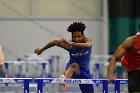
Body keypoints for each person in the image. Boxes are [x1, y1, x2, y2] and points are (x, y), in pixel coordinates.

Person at [34, 22, 94, 93]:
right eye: (74, 37)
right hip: (71, 70)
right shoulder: (69, 45)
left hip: (85, 72)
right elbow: (55, 42)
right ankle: (64, 80)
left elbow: (88, 45)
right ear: (71, 36)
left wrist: (70, 43)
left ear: (83, 35)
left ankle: (64, 78)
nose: (76, 39)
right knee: (74, 65)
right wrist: (41, 49)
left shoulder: (87, 41)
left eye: (78, 36)